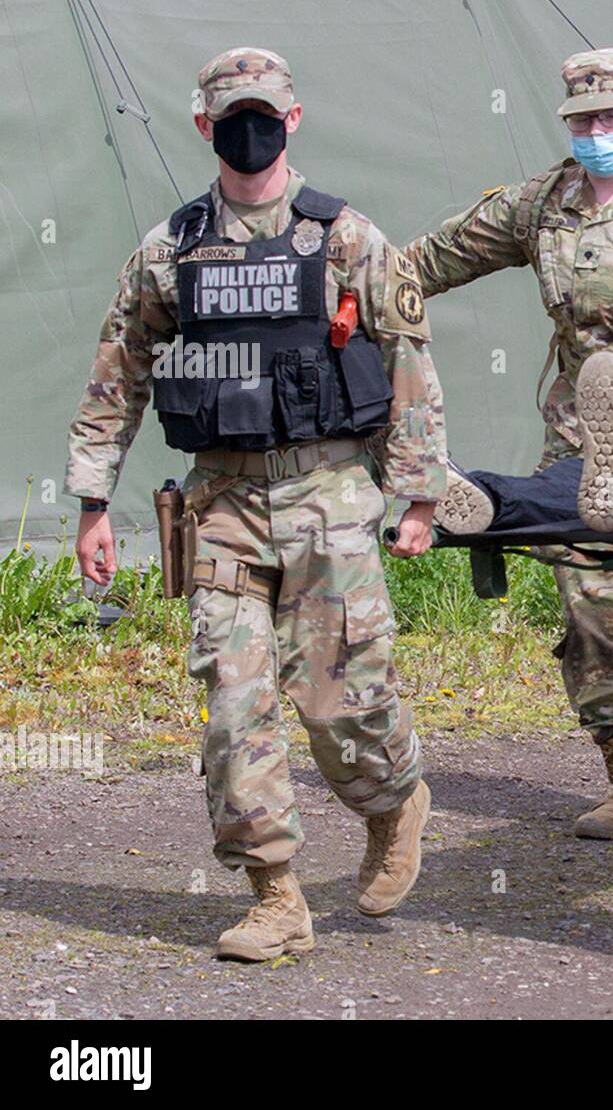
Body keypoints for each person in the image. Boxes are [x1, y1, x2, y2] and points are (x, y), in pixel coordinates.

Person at [66, 48, 444, 961]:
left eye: (265, 111)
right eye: (233, 113)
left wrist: (419, 494)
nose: (250, 126)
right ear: (206, 126)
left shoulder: (345, 238)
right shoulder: (171, 250)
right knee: (235, 705)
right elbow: (119, 372)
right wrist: (90, 501)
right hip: (221, 503)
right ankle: (276, 895)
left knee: (337, 703)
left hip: (329, 494)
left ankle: (395, 800)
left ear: (294, 117)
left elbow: (408, 366)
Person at [403, 48, 613, 829]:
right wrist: (351, 282)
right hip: (580, 447)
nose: (596, 132)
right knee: (592, 609)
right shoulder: (544, 203)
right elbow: (431, 258)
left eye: (612, 117)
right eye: (582, 119)